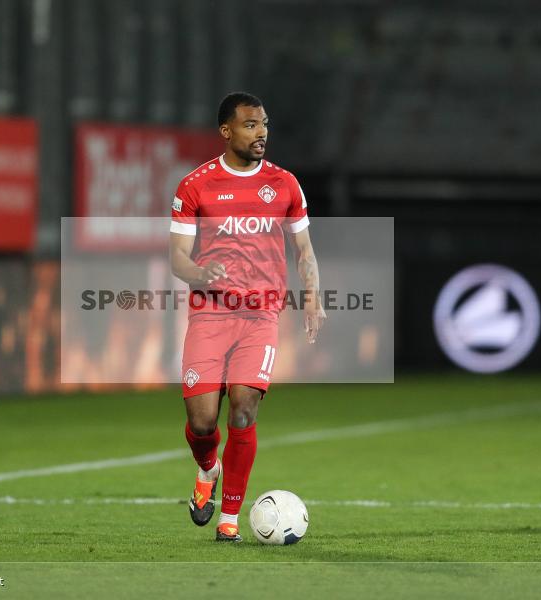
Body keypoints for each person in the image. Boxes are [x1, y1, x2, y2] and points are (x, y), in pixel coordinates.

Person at [169, 92, 326, 542]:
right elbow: (177, 257)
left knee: (243, 409)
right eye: (251, 125)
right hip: (210, 315)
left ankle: (230, 519)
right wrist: (199, 272)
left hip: (260, 316)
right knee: (202, 423)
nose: (261, 133)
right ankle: (207, 468)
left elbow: (304, 249)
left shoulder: (284, 184)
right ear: (226, 131)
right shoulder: (195, 185)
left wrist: (312, 296)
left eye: (264, 125)